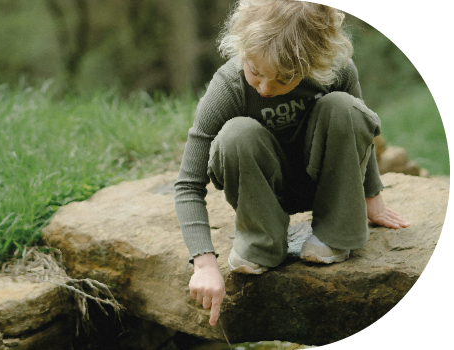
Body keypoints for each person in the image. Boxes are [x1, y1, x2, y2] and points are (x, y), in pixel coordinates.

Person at [174, 0, 410, 327]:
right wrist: (204, 264)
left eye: (284, 78)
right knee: (235, 134)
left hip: (324, 181)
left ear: (316, 63)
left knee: (346, 108)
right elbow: (188, 184)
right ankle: (262, 243)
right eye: (255, 72)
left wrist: (372, 198)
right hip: (263, 191)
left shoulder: (338, 71)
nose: (266, 88)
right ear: (241, 48)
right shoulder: (227, 86)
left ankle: (335, 235)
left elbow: (359, 133)